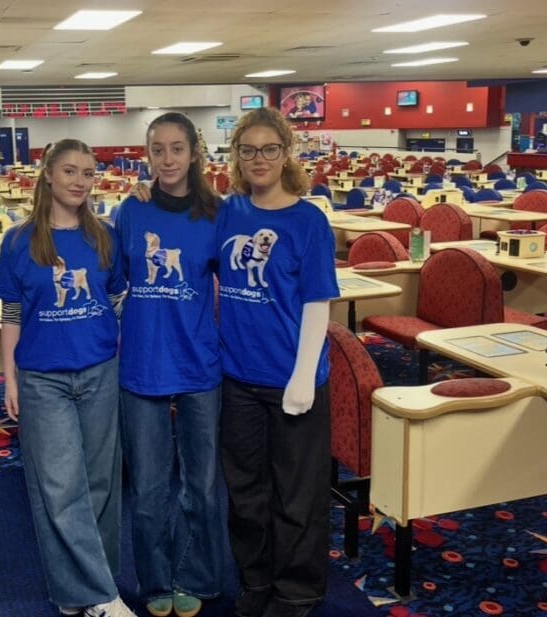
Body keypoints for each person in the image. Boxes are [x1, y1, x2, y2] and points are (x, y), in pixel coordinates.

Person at [0, 139, 134, 617]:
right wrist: (9, 379)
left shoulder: (105, 236)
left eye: (88, 173)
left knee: (99, 483)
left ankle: (79, 593)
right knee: (58, 487)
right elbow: (11, 313)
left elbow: (116, 299)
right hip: (41, 378)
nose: (79, 181)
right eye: (70, 171)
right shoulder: (19, 240)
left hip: (98, 370)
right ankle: (104, 596)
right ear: (48, 174)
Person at [215, 107, 339, 617]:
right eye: (248, 150)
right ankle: (257, 579)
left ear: (286, 154)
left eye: (269, 149)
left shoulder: (308, 220)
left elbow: (317, 301)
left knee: (297, 493)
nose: (258, 159)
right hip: (237, 377)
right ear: (236, 157)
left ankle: (297, 589)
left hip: (294, 378)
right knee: (245, 491)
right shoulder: (227, 211)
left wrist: (304, 374)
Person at [114, 112, 225, 617]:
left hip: (199, 360)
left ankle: (197, 574)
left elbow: (239, 286)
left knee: (201, 483)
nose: (167, 159)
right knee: (151, 487)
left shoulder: (216, 213)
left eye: (176, 148)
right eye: (157, 149)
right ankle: (156, 579)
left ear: (194, 153)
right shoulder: (130, 212)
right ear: (147, 154)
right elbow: (112, 279)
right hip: (143, 361)